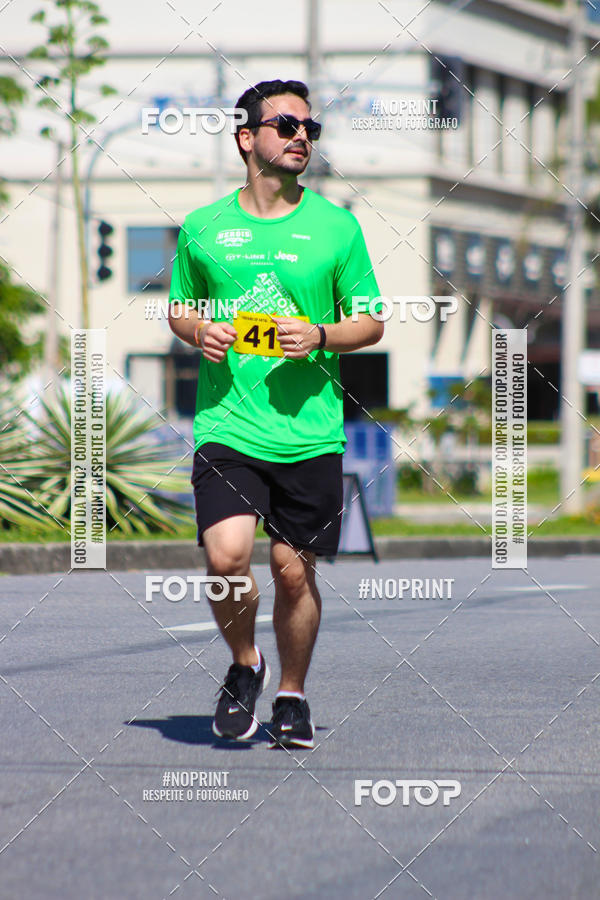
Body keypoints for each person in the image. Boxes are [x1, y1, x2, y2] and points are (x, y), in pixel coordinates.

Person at [168, 78, 383, 749]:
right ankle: (244, 665)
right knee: (228, 558)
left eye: (308, 129)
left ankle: (291, 692)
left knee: (294, 569)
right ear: (246, 138)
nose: (300, 137)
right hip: (228, 423)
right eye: (285, 124)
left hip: (310, 430)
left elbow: (372, 321)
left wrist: (319, 336)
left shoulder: (335, 227)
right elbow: (180, 306)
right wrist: (194, 332)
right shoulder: (205, 228)